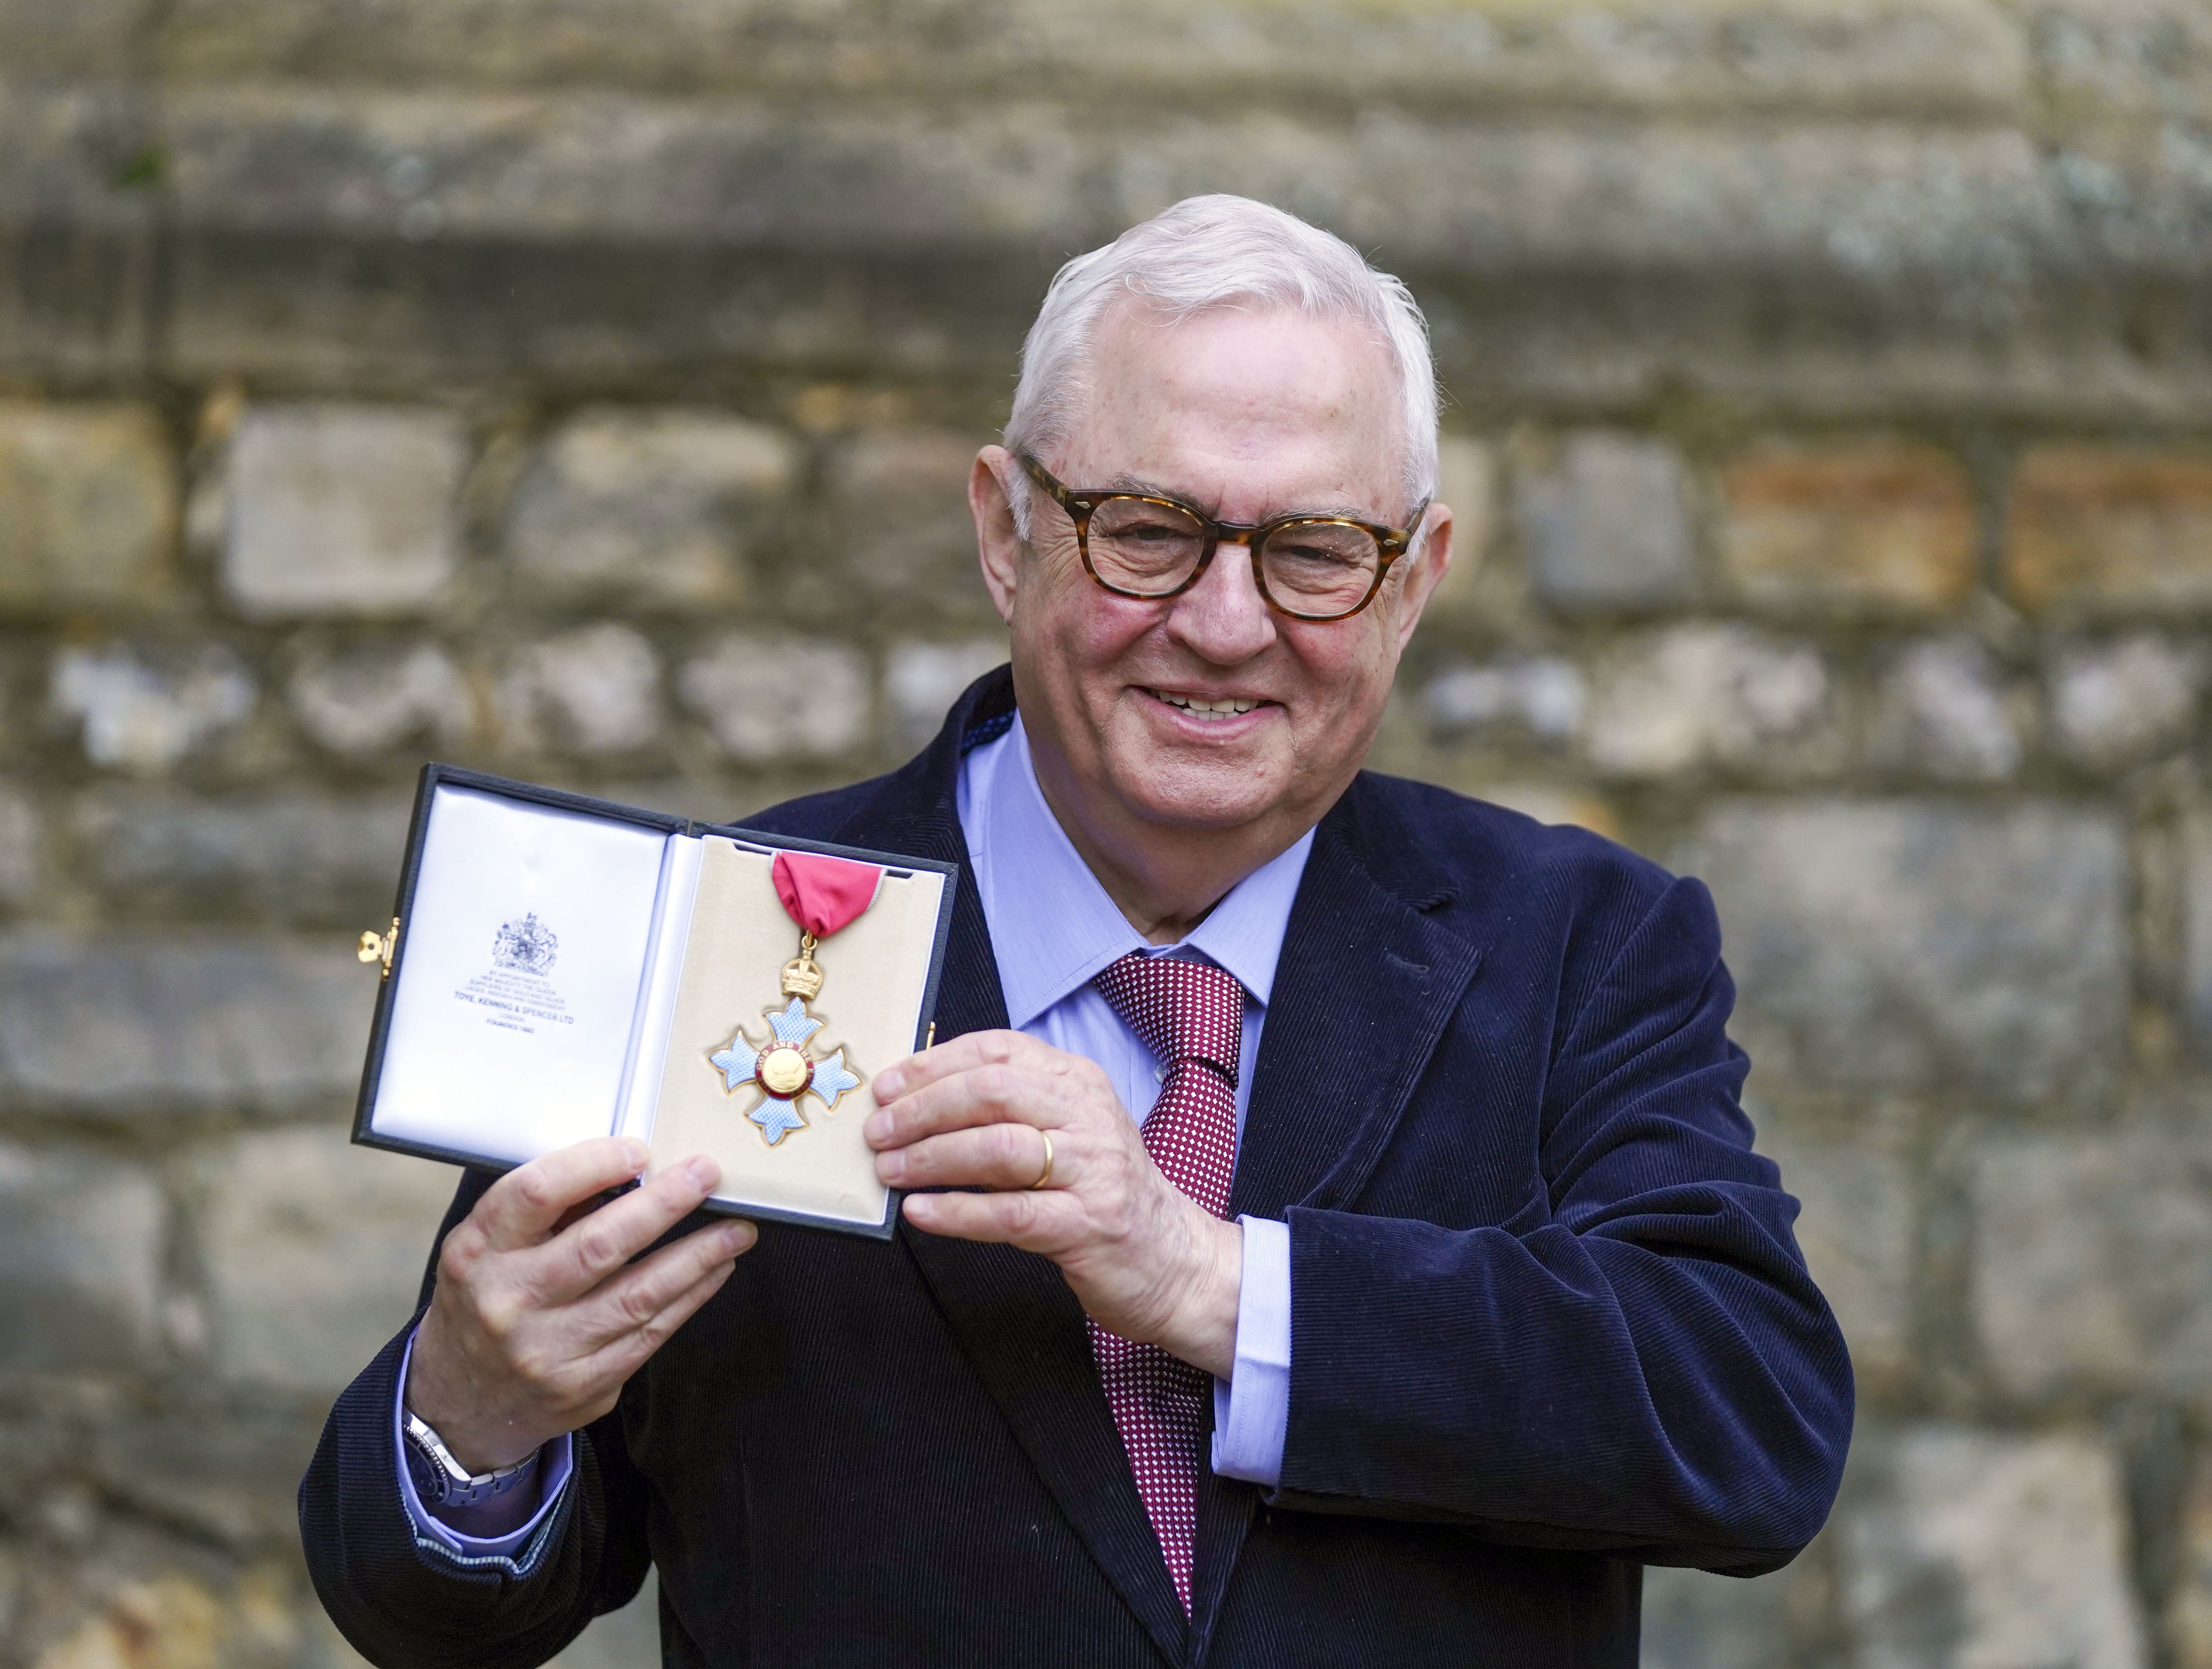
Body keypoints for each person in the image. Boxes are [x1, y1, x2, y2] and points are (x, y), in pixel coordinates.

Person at [300, 194, 1853, 1666]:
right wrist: (475, 1419)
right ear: (1005, 530)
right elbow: (436, 1611)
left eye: (1315, 550)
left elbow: (1748, 1420)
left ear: (1414, 579)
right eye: (1148, 530)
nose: (1228, 626)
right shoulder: (712, 930)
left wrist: (1208, 1280)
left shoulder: (1581, 943)